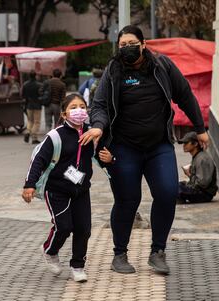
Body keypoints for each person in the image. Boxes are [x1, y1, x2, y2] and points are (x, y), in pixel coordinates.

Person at [79, 25, 210, 275]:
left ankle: (157, 252)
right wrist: (97, 127)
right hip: (124, 147)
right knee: (128, 200)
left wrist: (199, 127)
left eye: (131, 43)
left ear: (143, 44)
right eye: (122, 45)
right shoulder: (113, 71)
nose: (126, 48)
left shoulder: (162, 66)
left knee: (167, 193)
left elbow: (184, 94)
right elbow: (100, 105)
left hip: (158, 145)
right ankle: (120, 254)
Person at [22, 94, 111, 282]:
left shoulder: (92, 133)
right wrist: (29, 185)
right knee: (63, 227)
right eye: (73, 107)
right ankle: (50, 250)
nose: (78, 110)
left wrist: (110, 160)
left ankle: (78, 266)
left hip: (81, 190)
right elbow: (38, 160)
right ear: (64, 113)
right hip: (56, 190)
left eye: (82, 106)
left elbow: (103, 156)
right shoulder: (55, 136)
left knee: (83, 229)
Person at [178, 132, 218, 203]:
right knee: (173, 185)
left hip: (204, 194)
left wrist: (189, 174)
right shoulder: (197, 156)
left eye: (186, 143)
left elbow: (202, 183)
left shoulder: (202, 159)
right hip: (199, 189)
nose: (184, 146)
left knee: (176, 189)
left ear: (195, 144)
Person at [22, 71, 43, 144]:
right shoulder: (39, 85)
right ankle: (34, 137)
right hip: (37, 105)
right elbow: (41, 94)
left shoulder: (25, 84)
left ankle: (28, 132)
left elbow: (23, 95)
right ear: (35, 76)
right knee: (37, 122)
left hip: (29, 105)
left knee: (30, 121)